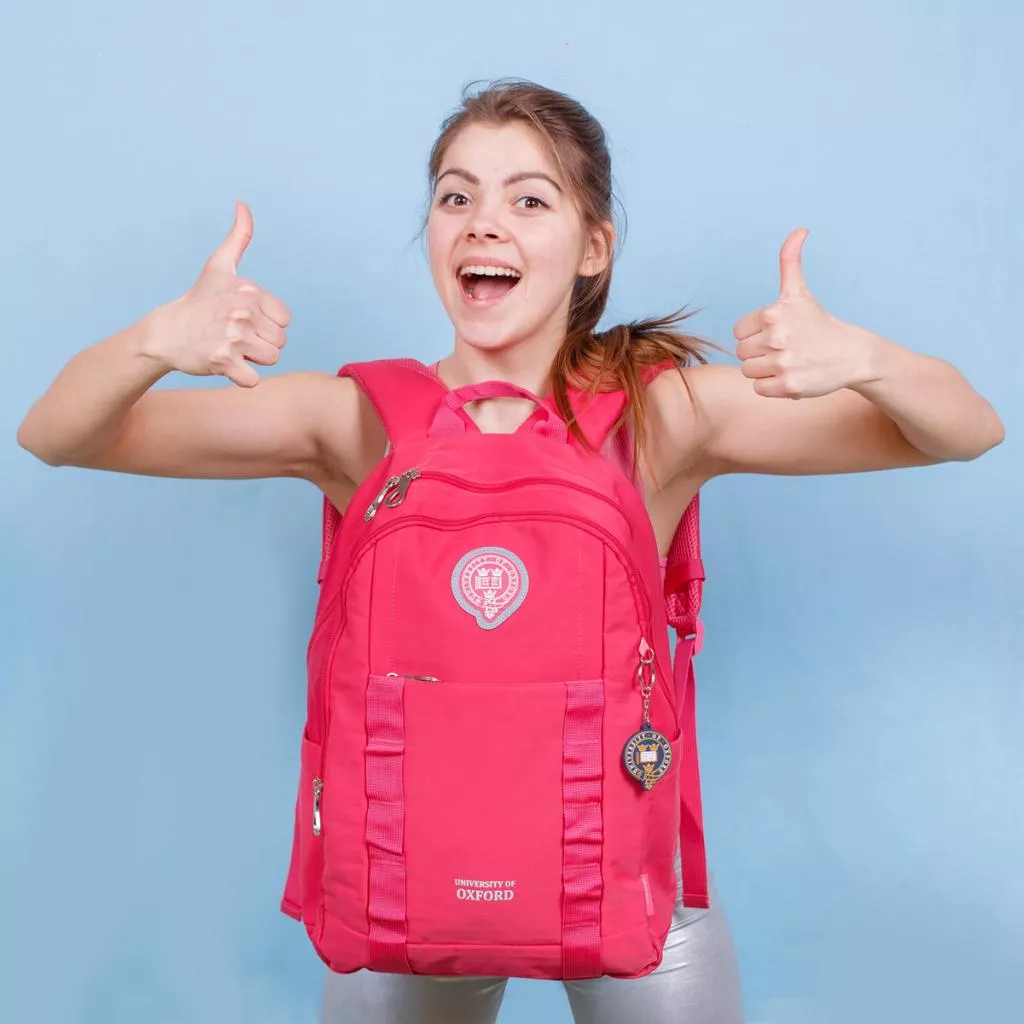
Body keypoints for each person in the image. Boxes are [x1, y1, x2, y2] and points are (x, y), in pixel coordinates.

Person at [17, 79, 1004, 1024]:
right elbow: (58, 435)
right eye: (457, 197)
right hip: (403, 881)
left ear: (592, 246)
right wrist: (156, 340)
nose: (483, 223)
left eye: (528, 199)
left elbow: (962, 431)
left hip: (621, 871)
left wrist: (865, 360)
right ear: (432, 233)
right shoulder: (357, 420)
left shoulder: (662, 417)